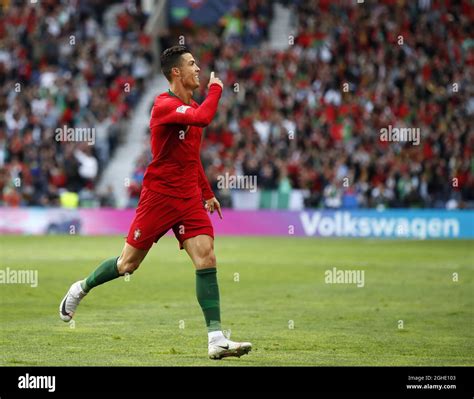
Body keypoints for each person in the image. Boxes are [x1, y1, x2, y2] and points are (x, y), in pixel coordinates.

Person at [59, 45, 252, 360]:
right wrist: (217, 90)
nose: (199, 69)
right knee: (127, 264)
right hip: (159, 196)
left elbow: (191, 158)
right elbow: (204, 117)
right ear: (176, 72)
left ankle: (216, 338)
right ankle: (80, 288)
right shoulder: (164, 105)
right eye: (192, 64)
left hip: (188, 196)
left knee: (206, 259)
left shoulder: (190, 105)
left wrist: (206, 192)